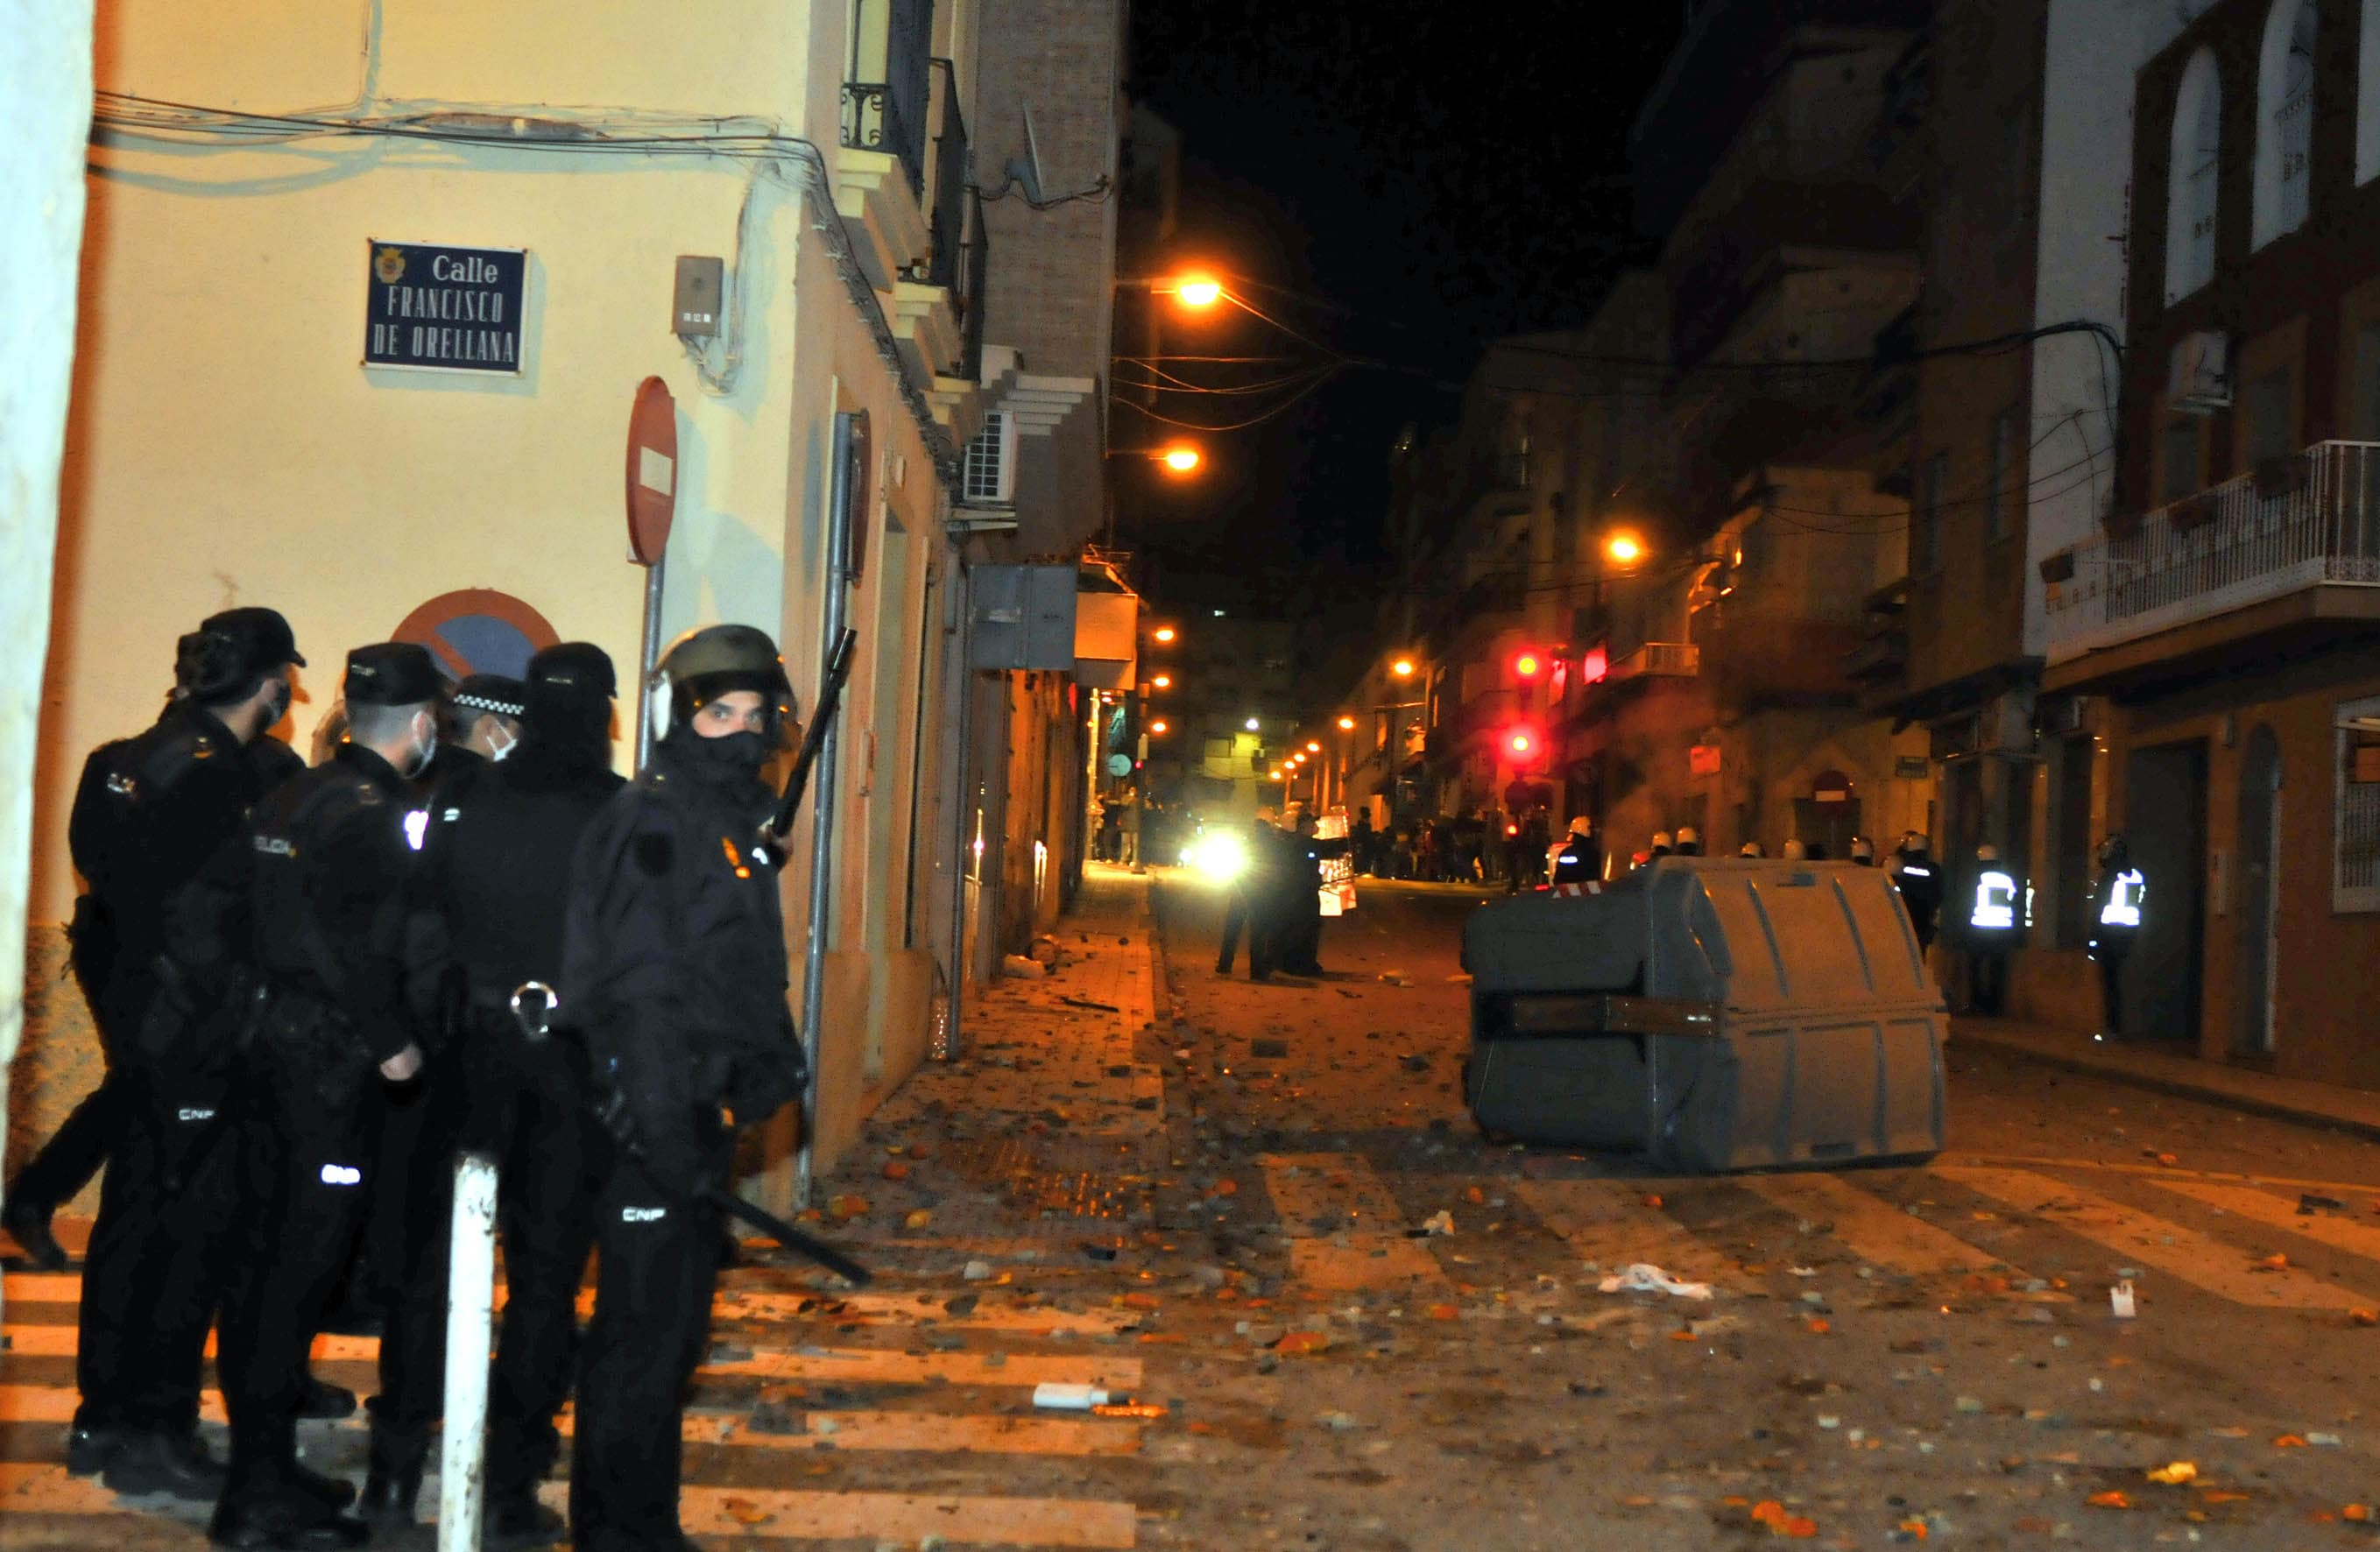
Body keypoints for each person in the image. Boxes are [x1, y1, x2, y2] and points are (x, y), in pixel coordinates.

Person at [29, 610, 305, 1502]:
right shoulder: (228, 781)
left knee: (129, 1223)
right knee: (188, 1239)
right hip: (199, 1037)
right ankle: (156, 1424)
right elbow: (223, 922)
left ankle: (101, 1413)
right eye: (282, 683)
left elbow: (102, 893)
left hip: (142, 1031)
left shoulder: (114, 763)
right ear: (269, 684)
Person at [362, 645, 625, 1543]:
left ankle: (392, 1476)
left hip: (464, 1059)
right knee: (544, 1278)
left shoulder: (464, 796)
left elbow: (418, 918)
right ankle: (509, 1483)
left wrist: (425, 1040)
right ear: (604, 715)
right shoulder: (618, 811)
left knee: (429, 1270)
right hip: (566, 1065)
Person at [187, 641, 444, 1548]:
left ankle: (261, 1470)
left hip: (260, 1053)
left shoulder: (290, 789)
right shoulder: (379, 813)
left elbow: (235, 915)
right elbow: (359, 950)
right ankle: (252, 1501)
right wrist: (395, 1048)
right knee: (293, 1275)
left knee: (259, 1268)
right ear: (422, 724)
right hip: (328, 1071)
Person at [558, 624, 809, 1552]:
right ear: (680, 718)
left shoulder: (727, 823)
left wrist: (767, 1065)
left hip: (694, 1115)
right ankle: (613, 1530)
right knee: (637, 1339)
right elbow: (636, 989)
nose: (739, 732)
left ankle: (644, 1519)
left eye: (752, 714)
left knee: (671, 1341)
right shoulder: (655, 821)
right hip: (649, 1125)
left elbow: (734, 969)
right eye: (718, 714)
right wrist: (660, 1126)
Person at [6, 610, 304, 1275]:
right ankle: (61, 1211)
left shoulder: (126, 760)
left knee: (138, 1087)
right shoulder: (235, 768)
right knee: (150, 1093)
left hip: (118, 944)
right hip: (172, 961)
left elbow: (96, 857)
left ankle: (37, 1200)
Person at [2087, 835, 2146, 1039]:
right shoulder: (2136, 876)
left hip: (2108, 934)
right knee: (2120, 983)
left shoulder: (2110, 877)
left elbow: (2099, 909)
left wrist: (2093, 941)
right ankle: (2120, 1028)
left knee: (2110, 984)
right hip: (2129, 936)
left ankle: (2112, 1028)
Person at [1216, 811, 1284, 980]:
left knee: (1233, 929)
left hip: (1241, 889)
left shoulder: (1246, 845)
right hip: (1260, 894)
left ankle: (1225, 964)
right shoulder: (1274, 846)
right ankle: (1257, 970)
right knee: (1258, 933)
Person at [1960, 843, 2023, 1016]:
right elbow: (2016, 904)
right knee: (1998, 971)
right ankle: (1995, 1007)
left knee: (1976, 970)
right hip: (2002, 932)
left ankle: (1977, 1004)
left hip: (1979, 930)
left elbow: (1966, 903)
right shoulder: (2006, 878)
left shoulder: (1976, 876)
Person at [1887, 831, 1943, 953]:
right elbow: (1939, 893)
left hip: (1905, 914)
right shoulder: (1934, 869)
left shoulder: (1901, 865)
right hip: (1925, 917)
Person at [1547, 816, 1600, 884]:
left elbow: (1560, 878)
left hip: (1568, 891)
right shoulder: (1594, 853)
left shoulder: (1568, 853)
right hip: (1590, 892)